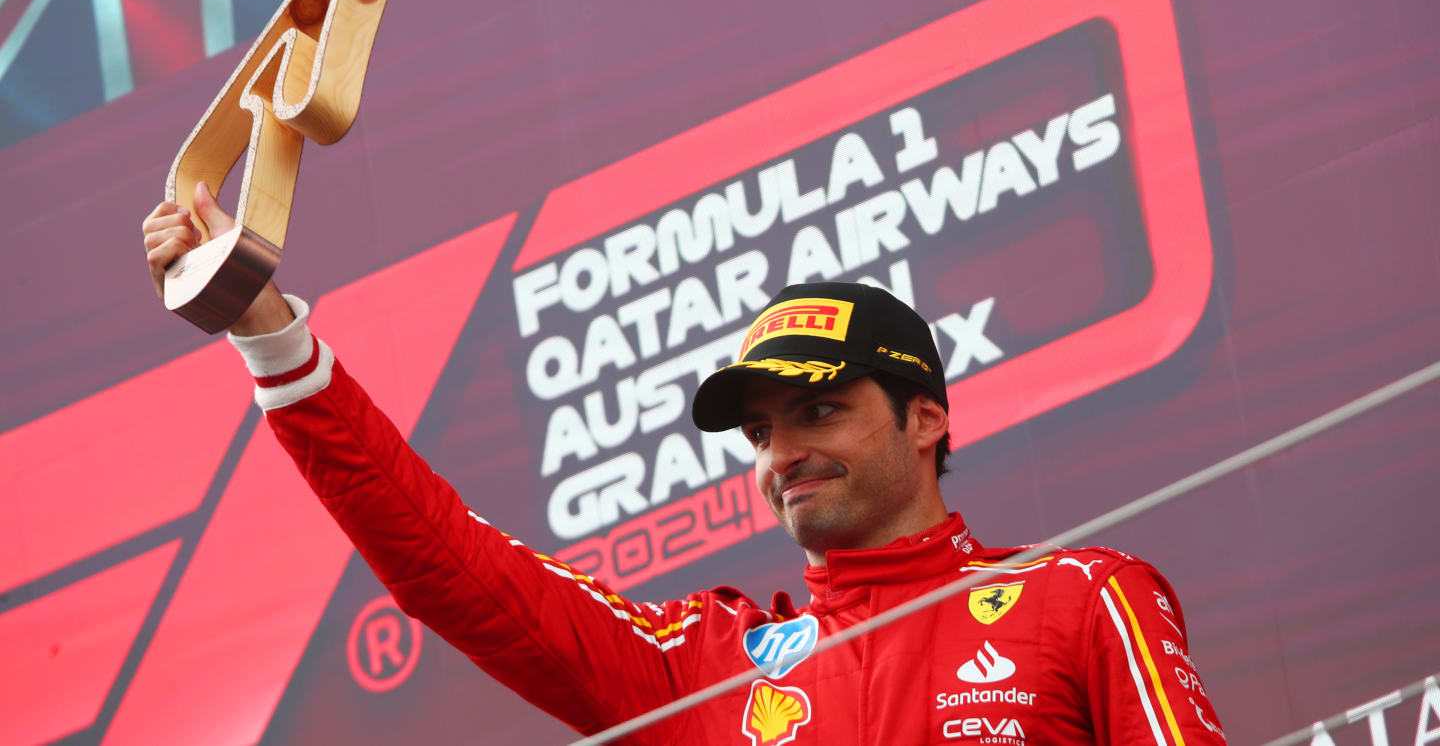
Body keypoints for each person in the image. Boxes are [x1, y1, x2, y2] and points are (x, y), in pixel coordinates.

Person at [143, 184, 1228, 745]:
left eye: (820, 411)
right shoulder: (706, 666)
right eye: (760, 433)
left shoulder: (1083, 600)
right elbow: (449, 567)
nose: (785, 453)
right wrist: (271, 336)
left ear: (928, 420)